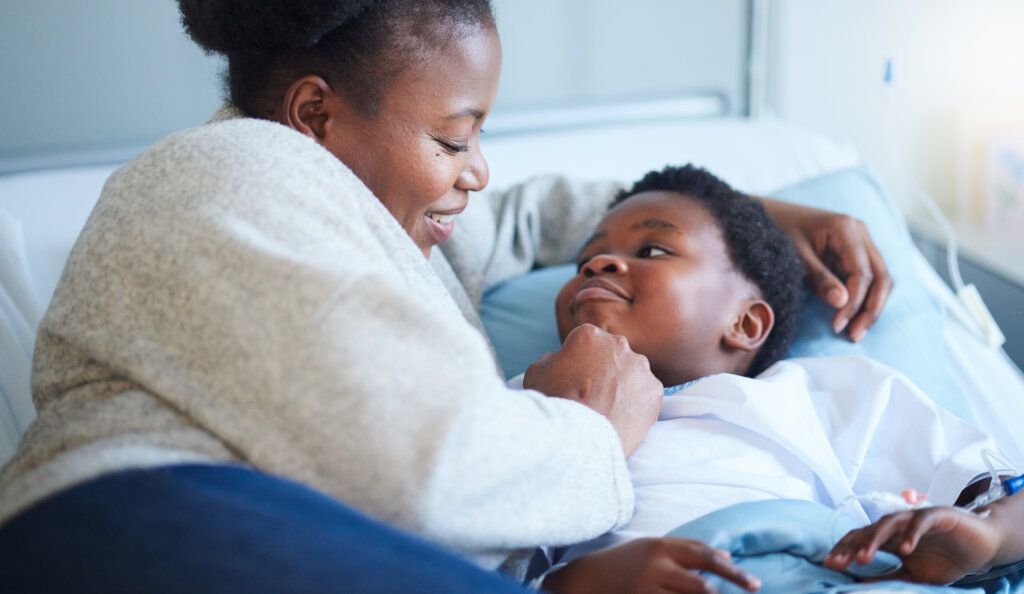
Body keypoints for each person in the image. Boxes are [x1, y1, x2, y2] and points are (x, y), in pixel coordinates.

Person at [0, 1, 893, 591]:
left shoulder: (385, 221)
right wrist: (594, 430)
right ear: (315, 115)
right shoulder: (229, 175)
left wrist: (749, 217)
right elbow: (426, 470)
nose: (477, 172)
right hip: (143, 519)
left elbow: (533, 217)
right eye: (454, 138)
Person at [533, 164, 1024, 592]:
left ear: (746, 324)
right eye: (583, 263)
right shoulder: (525, 400)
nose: (597, 264)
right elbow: (485, 551)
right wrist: (579, 581)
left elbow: (1005, 499)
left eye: (655, 250)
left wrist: (990, 535)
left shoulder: (822, 396)